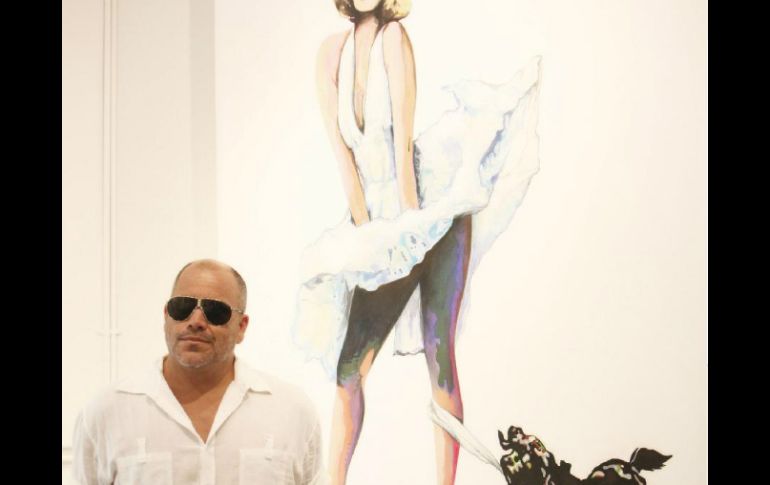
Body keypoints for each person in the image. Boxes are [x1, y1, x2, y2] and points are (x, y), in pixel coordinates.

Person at [293, 1, 542, 484]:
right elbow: (344, 160)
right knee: (349, 370)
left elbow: (403, 148)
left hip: (429, 211)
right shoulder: (329, 54)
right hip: (380, 220)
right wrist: (371, 238)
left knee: (440, 354)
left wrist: (412, 234)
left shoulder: (394, 38)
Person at [72, 259, 325, 485]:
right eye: (182, 307)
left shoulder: (292, 412)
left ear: (241, 326)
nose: (195, 321)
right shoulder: (107, 412)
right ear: (166, 316)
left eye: (215, 311)